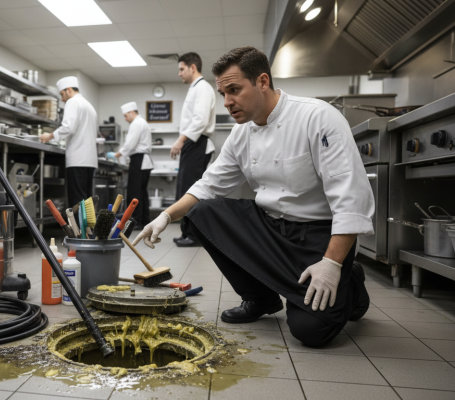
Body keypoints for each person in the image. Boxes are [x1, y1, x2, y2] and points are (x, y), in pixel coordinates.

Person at [133, 47, 374, 347]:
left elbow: (351, 197)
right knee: (202, 214)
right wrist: (166, 215)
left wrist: (333, 264)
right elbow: (208, 185)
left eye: (234, 90)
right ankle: (260, 299)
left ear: (262, 81)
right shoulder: (241, 133)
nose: (227, 102)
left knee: (310, 330)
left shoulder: (317, 117)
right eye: (223, 93)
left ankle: (351, 281)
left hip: (319, 237)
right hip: (272, 227)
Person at [172, 52, 216, 247]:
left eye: (182, 69)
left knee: (192, 191)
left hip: (196, 143)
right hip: (192, 143)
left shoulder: (203, 88)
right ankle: (187, 232)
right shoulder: (195, 88)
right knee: (185, 190)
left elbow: (200, 120)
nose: (179, 73)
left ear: (192, 67)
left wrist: (180, 140)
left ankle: (194, 235)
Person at [40, 76, 98, 208]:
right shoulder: (89, 105)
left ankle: (77, 223)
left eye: (62, 94)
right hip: (89, 160)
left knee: (77, 201)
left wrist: (49, 136)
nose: (62, 99)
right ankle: (88, 223)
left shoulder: (73, 102)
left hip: (78, 159)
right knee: (87, 201)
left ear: (69, 90)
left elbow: (68, 127)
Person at [115, 102, 153, 228]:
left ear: (132, 113)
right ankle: (144, 220)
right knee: (142, 192)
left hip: (139, 160)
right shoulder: (142, 122)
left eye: (126, 116)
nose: (125, 119)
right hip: (143, 160)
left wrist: (118, 154)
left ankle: (136, 221)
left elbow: (131, 143)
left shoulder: (136, 123)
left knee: (135, 192)